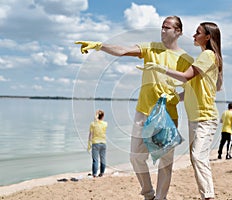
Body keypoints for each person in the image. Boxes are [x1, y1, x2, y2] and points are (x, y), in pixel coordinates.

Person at [76, 16, 193, 200]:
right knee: (136, 158)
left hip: (168, 115)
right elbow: (123, 50)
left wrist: (176, 97)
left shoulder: (185, 58)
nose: (163, 31)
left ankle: (161, 198)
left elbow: (192, 88)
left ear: (178, 32)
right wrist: (100, 46)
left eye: (167, 28)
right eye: (162, 27)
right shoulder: (151, 48)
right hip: (144, 112)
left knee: (166, 163)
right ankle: (148, 194)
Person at [138, 22, 223, 200]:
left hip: (205, 118)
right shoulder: (205, 56)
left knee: (198, 157)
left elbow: (186, 77)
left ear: (208, 37)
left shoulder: (208, 54)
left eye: (198, 33)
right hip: (195, 118)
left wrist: (160, 68)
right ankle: (207, 195)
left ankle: (209, 197)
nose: (193, 36)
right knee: (196, 158)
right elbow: (194, 88)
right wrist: (177, 97)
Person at [88, 110, 108, 177]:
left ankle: (94, 174)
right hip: (103, 143)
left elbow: (90, 135)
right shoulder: (105, 124)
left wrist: (89, 144)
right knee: (103, 158)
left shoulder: (93, 124)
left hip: (95, 143)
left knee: (95, 160)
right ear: (103, 116)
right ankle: (102, 173)